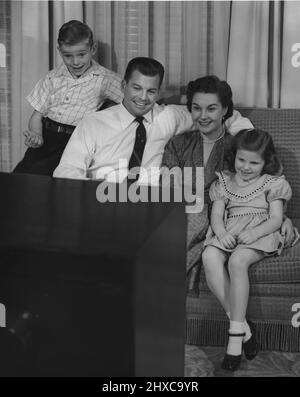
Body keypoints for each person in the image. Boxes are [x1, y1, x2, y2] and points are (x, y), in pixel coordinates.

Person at [161, 76, 296, 292]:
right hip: (181, 210)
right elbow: (169, 188)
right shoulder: (178, 144)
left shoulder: (238, 150)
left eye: (211, 109)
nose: (203, 116)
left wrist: (283, 218)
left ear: (225, 110)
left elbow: (270, 182)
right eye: (196, 108)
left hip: (222, 216)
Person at [53, 58, 252, 182]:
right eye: (137, 88)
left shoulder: (169, 116)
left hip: (149, 205)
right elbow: (66, 171)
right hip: (102, 198)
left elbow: (221, 116)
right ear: (124, 85)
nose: (143, 98)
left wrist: (247, 139)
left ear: (158, 92)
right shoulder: (93, 123)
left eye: (151, 91)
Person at [201, 129, 293, 371]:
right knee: (209, 255)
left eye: (255, 162)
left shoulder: (274, 183)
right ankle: (244, 328)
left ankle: (234, 337)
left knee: (238, 261)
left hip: (260, 230)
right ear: (234, 156)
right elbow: (217, 215)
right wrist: (221, 233)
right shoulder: (223, 181)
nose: (246, 167)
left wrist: (255, 232)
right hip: (230, 229)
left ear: (266, 162)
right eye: (242, 160)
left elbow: (275, 219)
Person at [13, 20, 124, 176]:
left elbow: (131, 99)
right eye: (68, 56)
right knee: (20, 177)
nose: (76, 62)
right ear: (59, 51)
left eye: (81, 54)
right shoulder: (52, 77)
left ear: (93, 49)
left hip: (75, 140)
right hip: (46, 136)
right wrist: (36, 134)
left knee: (56, 181)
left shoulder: (104, 78)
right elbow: (37, 115)